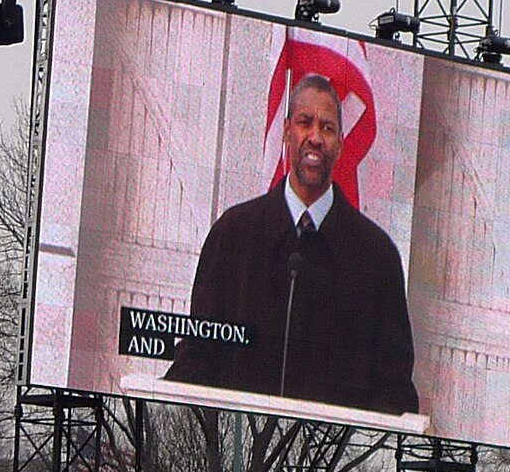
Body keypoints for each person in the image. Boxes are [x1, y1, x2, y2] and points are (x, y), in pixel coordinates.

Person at [165, 74, 419, 414]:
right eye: (305, 123)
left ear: (341, 144)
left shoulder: (376, 256)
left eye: (327, 128)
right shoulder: (234, 235)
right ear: (286, 132)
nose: (315, 137)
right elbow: (199, 355)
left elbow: (393, 388)